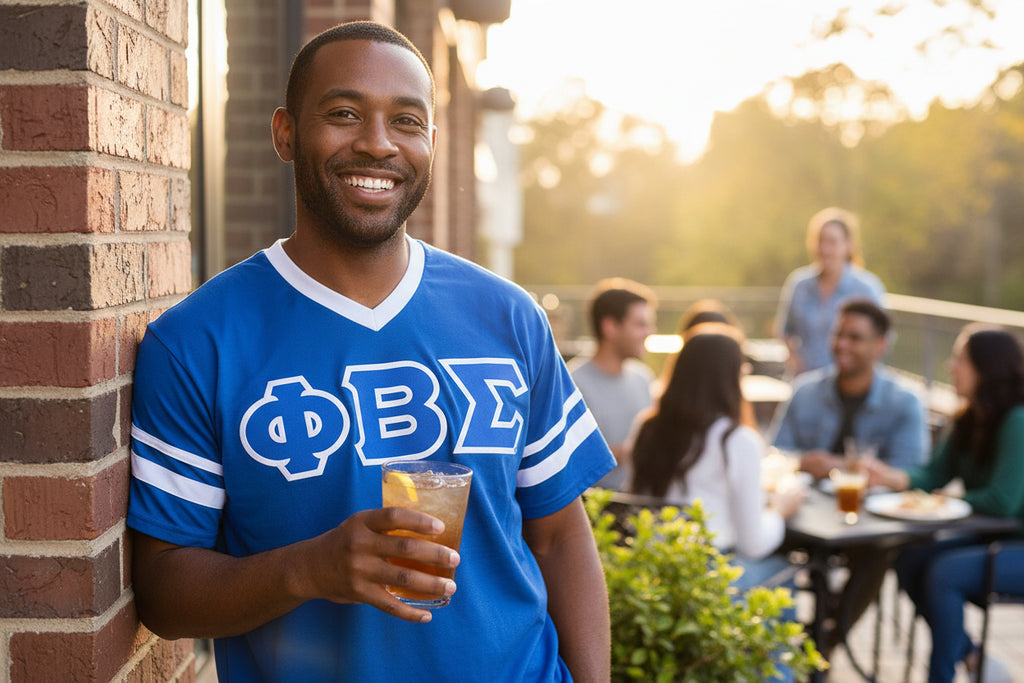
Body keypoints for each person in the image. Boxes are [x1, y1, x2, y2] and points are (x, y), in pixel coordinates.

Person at [126, 22, 615, 683]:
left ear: (431, 143)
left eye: (406, 121)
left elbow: (558, 535)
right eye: (344, 113)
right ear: (285, 134)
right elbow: (164, 592)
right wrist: (310, 568)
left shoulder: (509, 317)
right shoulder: (195, 341)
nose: (378, 143)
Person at [769, 298, 929, 652]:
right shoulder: (805, 391)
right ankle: (785, 646)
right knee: (763, 541)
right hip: (802, 517)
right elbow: (776, 454)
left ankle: (822, 647)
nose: (842, 345)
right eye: (838, 334)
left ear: (880, 344)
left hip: (866, 526)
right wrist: (802, 463)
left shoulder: (905, 401)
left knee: (880, 552)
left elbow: (910, 472)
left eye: (854, 337)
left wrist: (840, 465)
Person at [866, 324, 1024, 683]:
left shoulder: (1017, 421)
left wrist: (948, 499)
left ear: (986, 368)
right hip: (991, 539)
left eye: (960, 360)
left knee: (944, 573)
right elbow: (933, 475)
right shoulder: (968, 418)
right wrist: (889, 477)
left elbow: (1003, 501)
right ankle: (971, 656)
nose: (950, 367)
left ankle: (941, 676)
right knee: (909, 558)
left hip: (1017, 544)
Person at [629, 324, 804, 590]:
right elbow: (754, 544)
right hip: (706, 579)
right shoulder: (737, 440)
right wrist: (780, 509)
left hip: (651, 572)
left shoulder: (646, 427)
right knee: (785, 570)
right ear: (732, 376)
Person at [775, 207, 886, 376]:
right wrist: (795, 360)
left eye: (832, 242)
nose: (825, 249)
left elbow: (882, 339)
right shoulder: (799, 283)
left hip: (847, 381)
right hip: (804, 379)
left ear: (848, 246)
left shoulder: (867, 288)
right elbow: (784, 330)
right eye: (821, 241)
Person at [568, 278, 656, 490]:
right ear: (610, 327)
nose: (649, 332)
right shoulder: (572, 383)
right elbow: (567, 464)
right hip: (597, 504)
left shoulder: (643, 378)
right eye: (640, 324)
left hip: (643, 502)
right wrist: (632, 451)